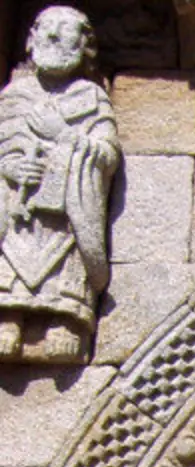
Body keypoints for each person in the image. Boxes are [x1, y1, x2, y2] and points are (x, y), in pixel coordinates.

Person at [0, 6, 119, 361]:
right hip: (20, 211)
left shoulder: (91, 97)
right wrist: (13, 169)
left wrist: (63, 135)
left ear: (86, 45)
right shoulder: (14, 96)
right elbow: (3, 142)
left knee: (68, 258)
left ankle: (66, 317)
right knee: (13, 255)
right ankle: (9, 315)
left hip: (65, 213)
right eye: (46, 28)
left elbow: (106, 154)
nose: (53, 36)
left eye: (65, 30)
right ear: (30, 39)